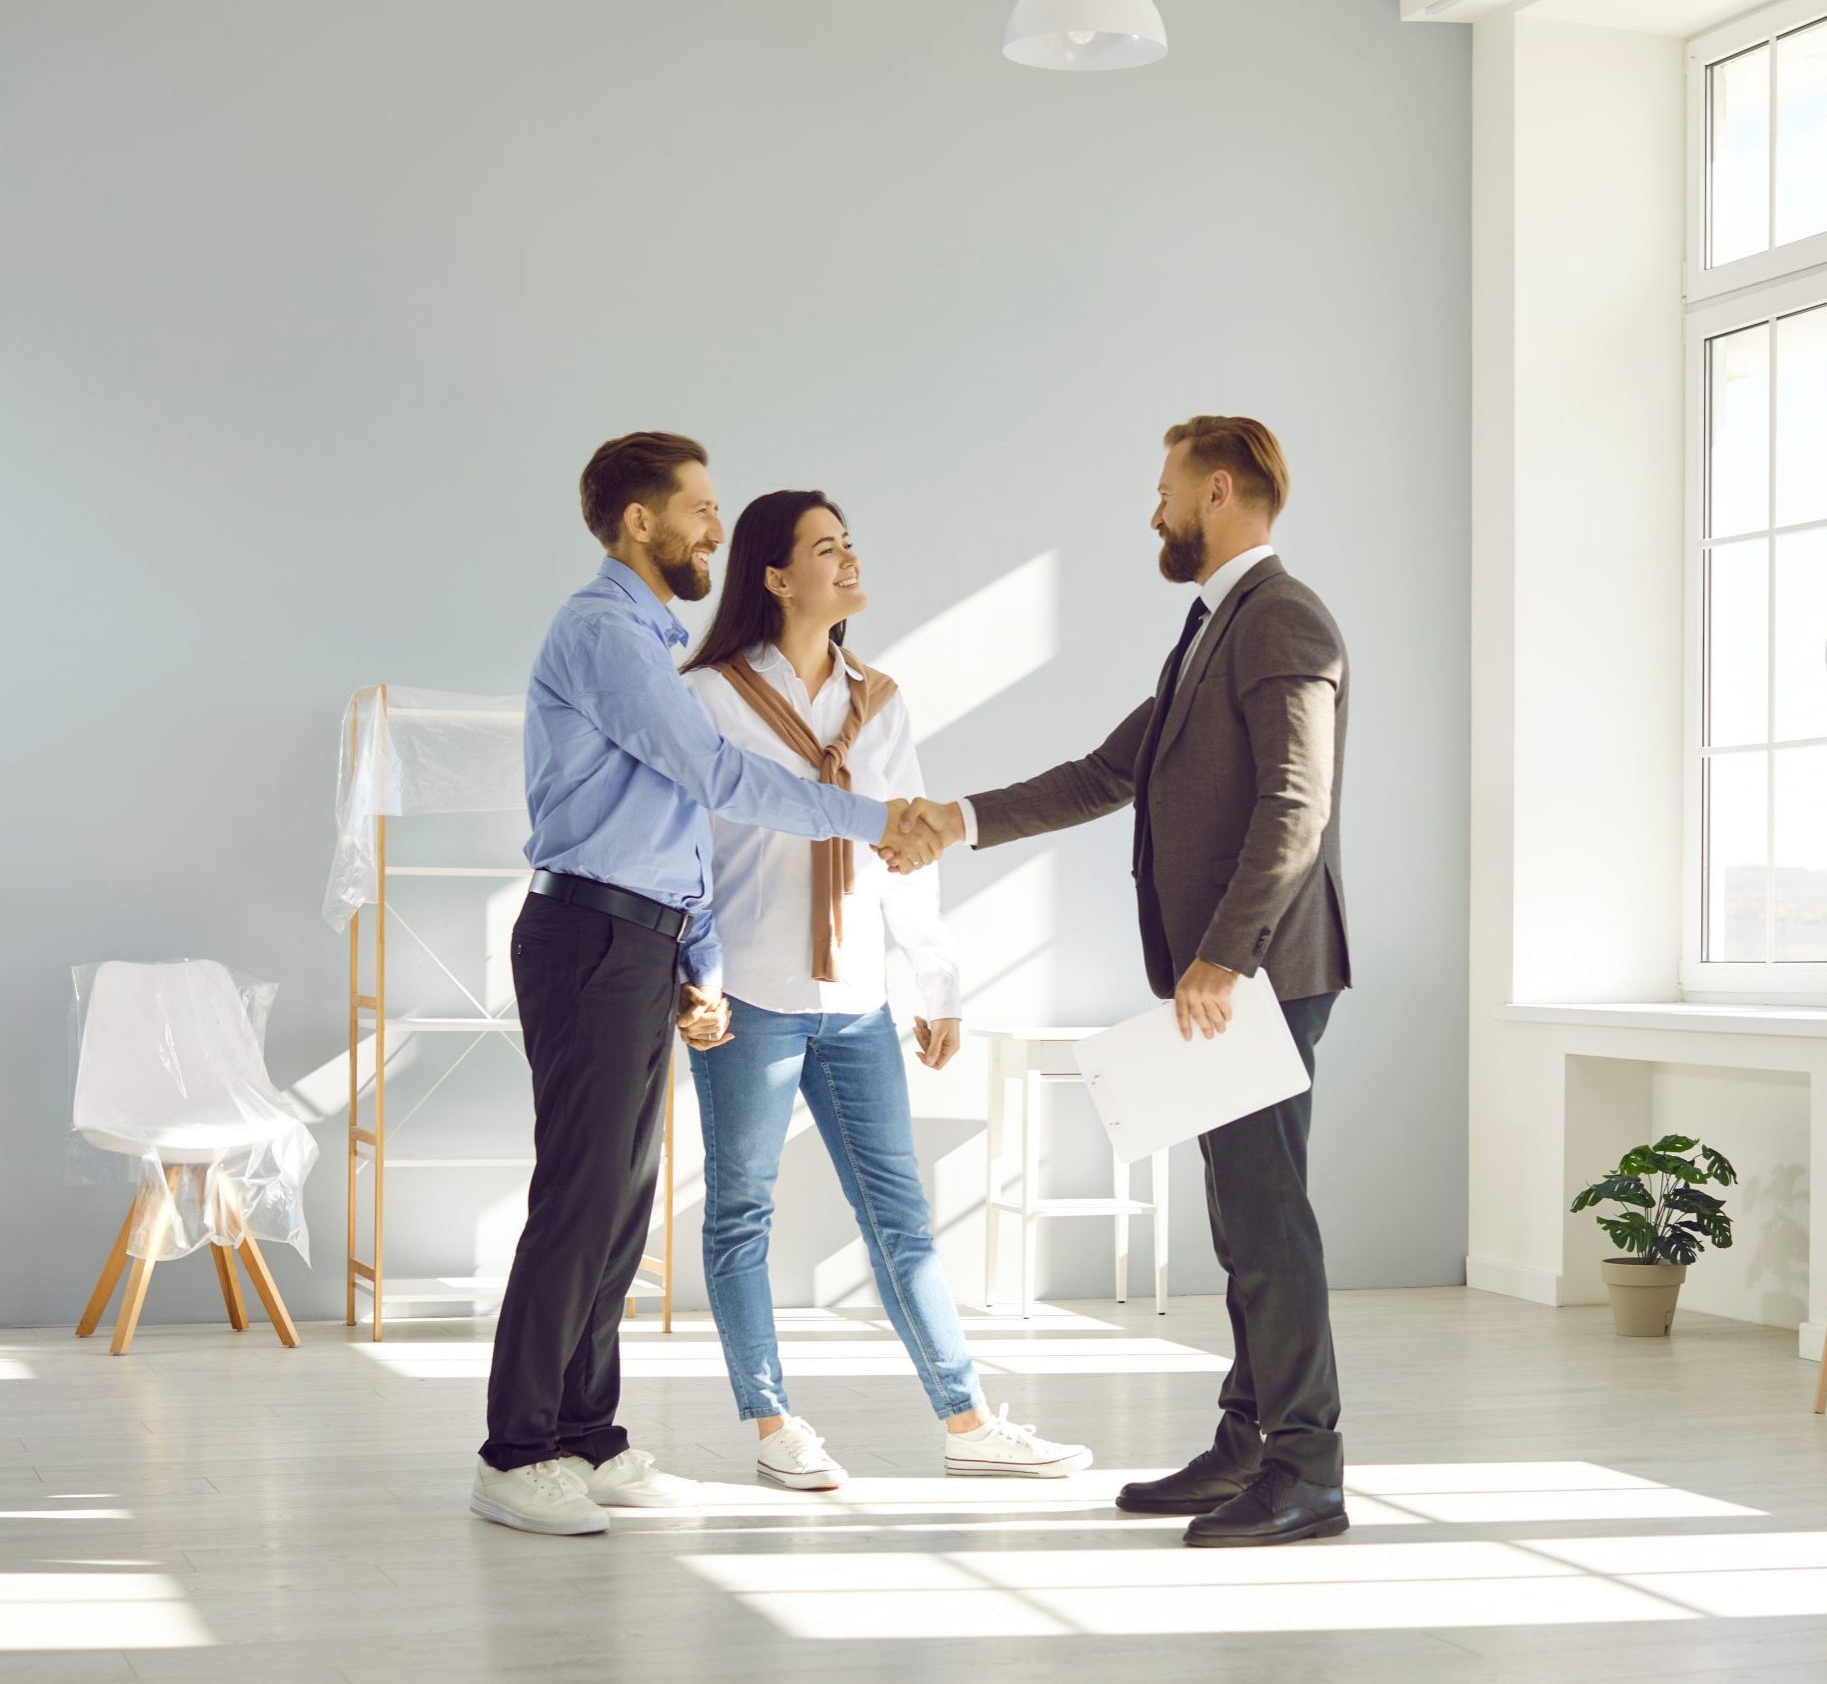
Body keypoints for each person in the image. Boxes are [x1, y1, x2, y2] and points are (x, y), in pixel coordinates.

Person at [472, 433, 946, 1538]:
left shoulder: (646, 636)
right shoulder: (605, 632)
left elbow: (675, 828)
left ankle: (589, 1435)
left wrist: (696, 960)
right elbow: (715, 777)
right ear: (640, 521)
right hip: (587, 932)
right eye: (699, 509)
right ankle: (514, 1449)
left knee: (624, 1205)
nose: (713, 530)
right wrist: (879, 820)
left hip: (636, 939)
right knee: (580, 1199)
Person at [913, 415, 1352, 1548]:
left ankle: (1308, 1467)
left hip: (1259, 973)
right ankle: (1249, 1443)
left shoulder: (1282, 617)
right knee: (1240, 1217)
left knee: (1267, 1221)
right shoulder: (1213, 629)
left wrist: (1224, 953)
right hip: (1228, 976)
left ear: (1216, 490)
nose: (1152, 511)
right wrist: (955, 821)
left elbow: (1295, 805)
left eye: (1164, 490)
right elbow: (1111, 771)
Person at [678, 490, 1091, 1489]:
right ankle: (774, 1422)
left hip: (857, 994)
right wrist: (695, 978)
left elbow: (909, 845)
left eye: (849, 542)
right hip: (752, 993)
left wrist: (937, 977)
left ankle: (967, 1416)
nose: (850, 558)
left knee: (899, 1215)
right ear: (776, 578)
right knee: (743, 1210)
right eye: (827, 547)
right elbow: (684, 853)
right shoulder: (711, 698)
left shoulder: (883, 701)